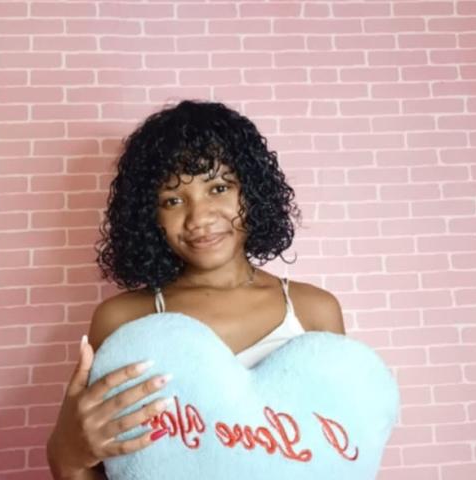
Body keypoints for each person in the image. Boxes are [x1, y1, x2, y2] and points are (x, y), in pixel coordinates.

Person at [46, 99, 346, 479]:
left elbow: (341, 449)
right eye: (173, 200)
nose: (199, 217)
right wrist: (67, 453)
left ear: (252, 191)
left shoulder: (314, 311)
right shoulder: (123, 319)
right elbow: (92, 464)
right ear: (149, 216)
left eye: (218, 188)